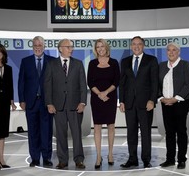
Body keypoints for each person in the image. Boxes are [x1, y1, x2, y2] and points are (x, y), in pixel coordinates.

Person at [44, 38, 87, 169]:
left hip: (75, 105)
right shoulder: (51, 64)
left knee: (77, 134)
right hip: (58, 106)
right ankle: (62, 160)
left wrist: (83, 102)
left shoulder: (78, 64)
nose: (71, 49)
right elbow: (47, 85)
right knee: (60, 134)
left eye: (72, 47)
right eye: (68, 47)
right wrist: (49, 103)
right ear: (60, 48)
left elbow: (83, 85)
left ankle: (79, 159)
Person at [119, 36, 159, 168]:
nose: (136, 46)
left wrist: (152, 100)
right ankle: (132, 159)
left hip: (145, 103)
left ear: (143, 46)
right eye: (134, 44)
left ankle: (146, 160)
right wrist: (122, 101)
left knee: (146, 132)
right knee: (131, 132)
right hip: (129, 103)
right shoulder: (124, 61)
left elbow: (155, 83)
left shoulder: (151, 60)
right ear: (131, 46)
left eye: (139, 44)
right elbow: (122, 83)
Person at [18, 36, 55, 167]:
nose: (38, 47)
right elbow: (21, 82)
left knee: (46, 131)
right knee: (33, 132)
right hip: (31, 102)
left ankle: (46, 158)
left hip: (47, 102)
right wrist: (21, 100)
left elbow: (54, 83)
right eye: (35, 45)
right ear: (32, 46)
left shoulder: (52, 61)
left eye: (40, 45)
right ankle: (34, 158)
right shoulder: (25, 61)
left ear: (44, 46)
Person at [158, 42, 189, 169]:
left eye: (174, 50)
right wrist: (161, 98)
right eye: (168, 50)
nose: (171, 52)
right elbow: (156, 84)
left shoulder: (185, 65)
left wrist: (175, 99)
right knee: (169, 132)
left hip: (180, 103)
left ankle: (182, 159)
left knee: (181, 132)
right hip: (165, 103)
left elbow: (188, 84)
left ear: (178, 52)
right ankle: (170, 159)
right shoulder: (161, 65)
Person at [87, 39, 120, 169]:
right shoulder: (92, 63)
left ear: (106, 48)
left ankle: (110, 154)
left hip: (110, 98)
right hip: (96, 98)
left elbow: (117, 81)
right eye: (98, 47)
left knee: (111, 126)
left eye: (102, 46)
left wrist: (105, 92)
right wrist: (99, 94)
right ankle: (98, 156)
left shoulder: (114, 63)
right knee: (97, 127)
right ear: (96, 49)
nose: (100, 49)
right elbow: (90, 82)